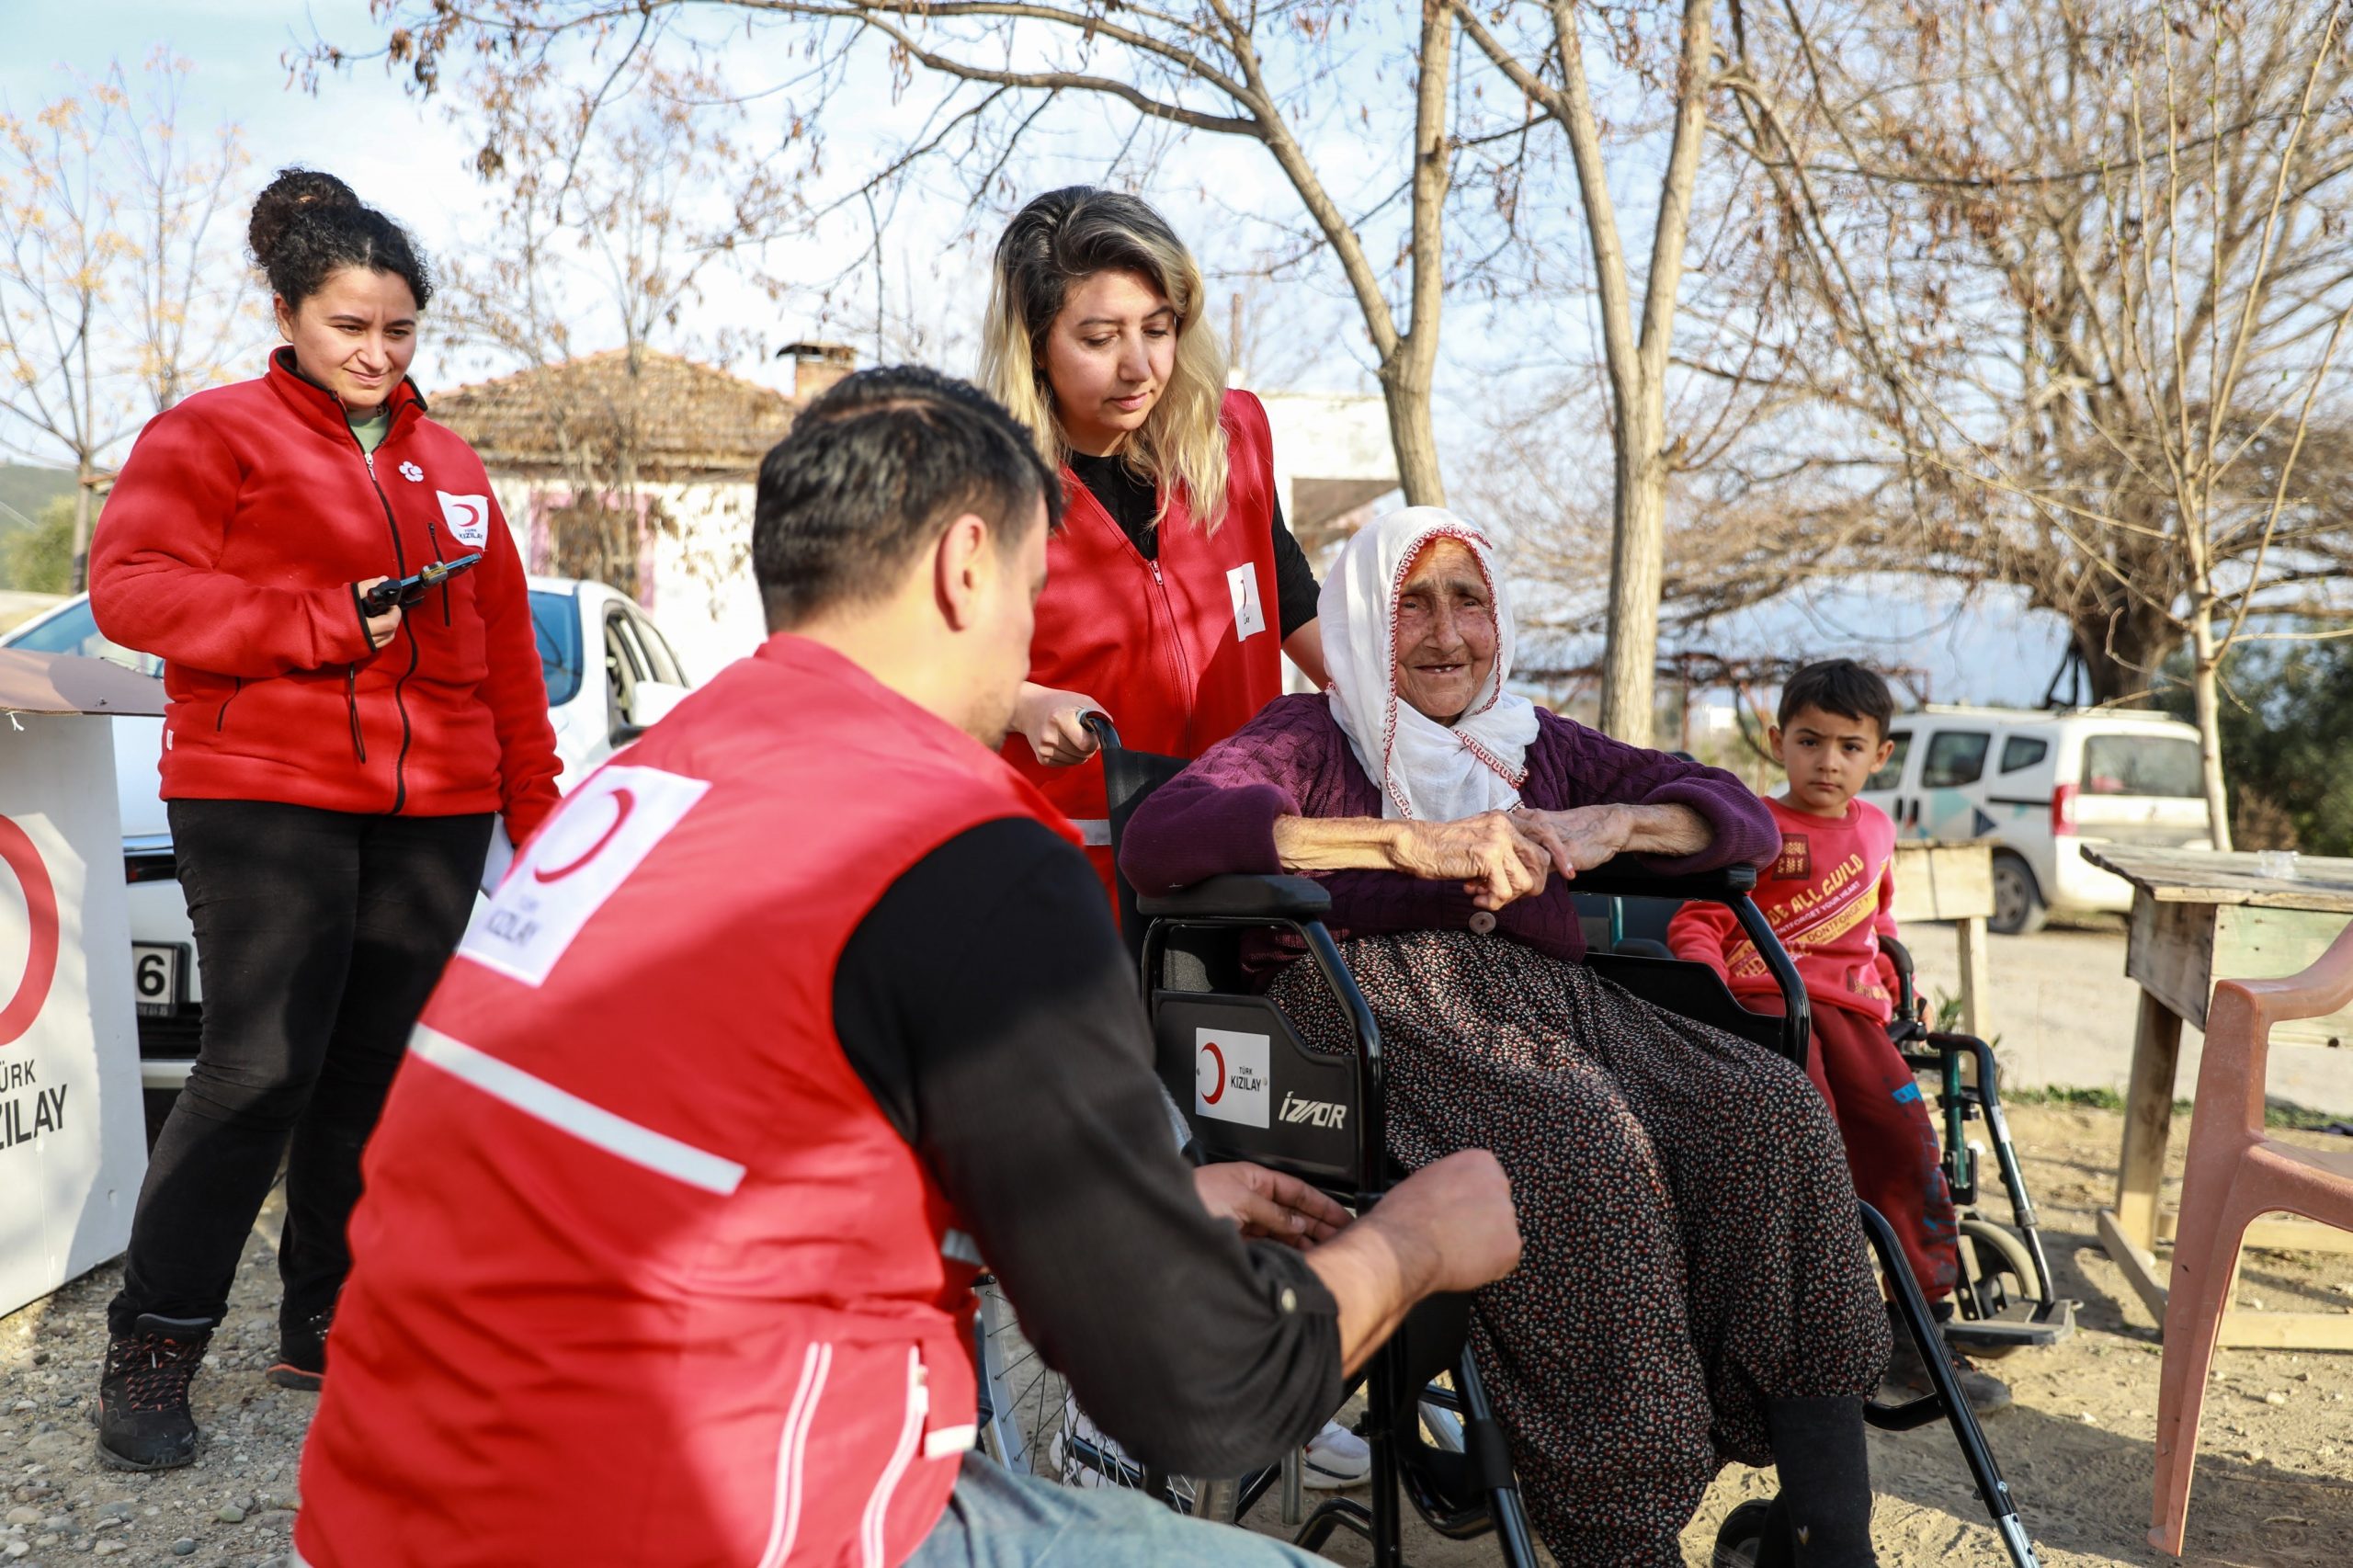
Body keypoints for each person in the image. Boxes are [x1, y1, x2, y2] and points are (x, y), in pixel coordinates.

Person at [290, 367, 1519, 1568]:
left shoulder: (644, 785)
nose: (1034, 635)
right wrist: (1415, 1240)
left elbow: (723, 1138)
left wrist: (1140, 1207)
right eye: (1036, 589)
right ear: (966, 566)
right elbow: (1207, 1388)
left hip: (378, 1505)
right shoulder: (964, 845)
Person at [1120, 507, 1894, 1568]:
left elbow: (1736, 815)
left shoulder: (1536, 742)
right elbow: (1164, 831)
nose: (1445, 633)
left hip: (1542, 1000)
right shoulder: (1311, 732)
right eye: (1412, 603)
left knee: (1770, 1111)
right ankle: (1618, 1536)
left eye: (1468, 598)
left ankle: (1824, 1527)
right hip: (1361, 1006)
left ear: (1500, 615)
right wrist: (1403, 839)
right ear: (1362, 619)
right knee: (1586, 1154)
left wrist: (1614, 824)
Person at [84, 167, 560, 1471]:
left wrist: (542, 813)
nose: (377, 351)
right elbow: (128, 589)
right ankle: (153, 1340)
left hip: (437, 811)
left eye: (399, 328)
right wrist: (317, 622)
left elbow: (510, 658)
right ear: (289, 312)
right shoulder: (210, 434)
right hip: (266, 792)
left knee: (374, 1071)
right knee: (258, 1068)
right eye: (351, 324)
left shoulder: (452, 462)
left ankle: (329, 1318)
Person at [1666, 660, 2008, 1414]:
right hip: (1768, 1018)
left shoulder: (1878, 830)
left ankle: (1917, 1332)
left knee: (1904, 1142)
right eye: (1810, 741)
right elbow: (1699, 922)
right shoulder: (1751, 826)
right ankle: (1820, 1332)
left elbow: (1875, 920)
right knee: (1814, 1159)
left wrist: (1893, 976)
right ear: (1776, 741)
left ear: (1880, 755)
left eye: (1850, 747)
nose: (1828, 761)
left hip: (1855, 1019)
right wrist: (1708, 995)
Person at [981, 186, 1327, 895]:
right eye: (1100, 339)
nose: (1139, 366)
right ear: (1036, 346)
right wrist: (1021, 704)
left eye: (1159, 328)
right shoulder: (983, 490)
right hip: (1072, 890)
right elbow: (920, 684)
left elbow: (1291, 604)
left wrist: (1407, 708)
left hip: (1244, 879)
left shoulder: (1235, 441)